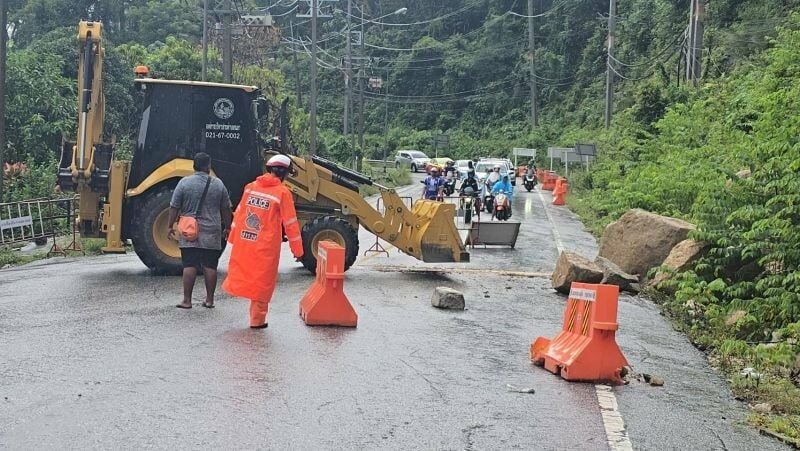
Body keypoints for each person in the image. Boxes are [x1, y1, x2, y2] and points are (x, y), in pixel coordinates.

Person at [222, 154, 304, 329]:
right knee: (262, 283)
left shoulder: (251, 188)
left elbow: (239, 213)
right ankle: (257, 320)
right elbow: (290, 224)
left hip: (246, 242)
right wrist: (298, 251)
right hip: (265, 246)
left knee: (244, 273)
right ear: (284, 174)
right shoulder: (283, 193)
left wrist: (234, 238)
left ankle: (256, 319)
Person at [168, 152, 232, 309]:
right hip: (212, 230)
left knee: (189, 264)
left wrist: (170, 225)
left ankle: (187, 301)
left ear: (194, 166)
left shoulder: (184, 183)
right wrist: (228, 227)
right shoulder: (218, 184)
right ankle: (209, 300)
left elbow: (174, 206)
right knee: (210, 265)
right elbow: (226, 208)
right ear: (208, 166)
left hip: (189, 230)